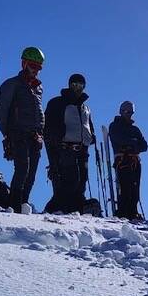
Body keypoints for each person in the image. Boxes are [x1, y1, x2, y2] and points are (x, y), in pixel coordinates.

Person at [0, 47, 45, 214]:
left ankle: (24, 203)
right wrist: (7, 134)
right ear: (24, 64)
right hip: (18, 133)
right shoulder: (12, 84)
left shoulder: (38, 87)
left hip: (35, 136)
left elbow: (39, 111)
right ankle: (15, 205)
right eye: (33, 66)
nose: (36, 70)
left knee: (32, 173)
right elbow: (0, 110)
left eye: (39, 67)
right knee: (22, 168)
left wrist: (41, 132)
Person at [43, 73, 95, 214]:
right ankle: (55, 209)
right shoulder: (57, 103)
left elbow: (88, 125)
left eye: (80, 85)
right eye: (74, 84)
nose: (77, 88)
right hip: (65, 148)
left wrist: (91, 137)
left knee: (82, 181)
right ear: (69, 85)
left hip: (83, 149)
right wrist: (54, 144)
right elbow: (48, 126)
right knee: (70, 181)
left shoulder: (85, 108)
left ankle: (75, 210)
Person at [108, 101, 148, 220]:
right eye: (125, 111)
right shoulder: (115, 126)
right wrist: (134, 142)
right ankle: (123, 212)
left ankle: (133, 212)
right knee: (125, 187)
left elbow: (144, 146)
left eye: (130, 112)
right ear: (121, 111)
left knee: (135, 188)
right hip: (122, 161)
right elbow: (118, 139)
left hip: (135, 162)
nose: (128, 114)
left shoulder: (135, 129)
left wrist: (131, 144)